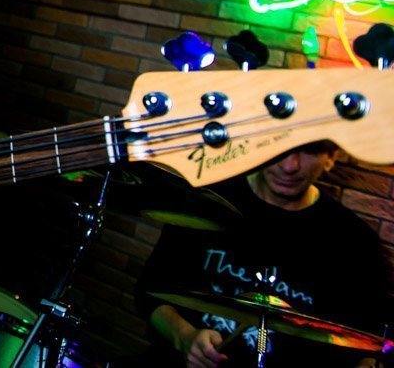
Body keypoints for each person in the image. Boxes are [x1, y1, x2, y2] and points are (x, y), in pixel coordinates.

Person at [137, 142, 391, 368]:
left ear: (331, 158)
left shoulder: (356, 242)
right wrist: (185, 337)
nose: (290, 166)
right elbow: (150, 293)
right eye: (280, 144)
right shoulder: (208, 201)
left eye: (309, 150)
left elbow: (369, 345)